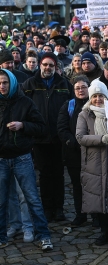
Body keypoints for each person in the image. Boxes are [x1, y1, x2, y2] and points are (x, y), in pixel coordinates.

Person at [0, 68, 53, 251]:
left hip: (21, 157)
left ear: (12, 83)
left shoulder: (25, 102)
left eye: (5, 82)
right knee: (2, 199)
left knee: (31, 198)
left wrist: (22, 125)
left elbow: (41, 127)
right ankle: (3, 235)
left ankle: (43, 235)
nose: (2, 86)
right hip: (1, 159)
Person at [22, 52, 73, 222]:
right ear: (39, 65)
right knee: (44, 175)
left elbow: (70, 108)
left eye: (51, 65)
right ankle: (46, 207)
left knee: (58, 173)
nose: (48, 68)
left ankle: (58, 208)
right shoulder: (30, 84)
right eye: (45, 64)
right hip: (39, 137)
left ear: (56, 67)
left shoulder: (64, 84)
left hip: (58, 137)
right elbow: (24, 109)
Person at [76, 80, 108, 247]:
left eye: (101, 96)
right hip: (93, 163)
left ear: (106, 96)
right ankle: (104, 232)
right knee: (97, 199)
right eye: (94, 96)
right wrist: (101, 139)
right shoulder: (84, 114)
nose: (98, 99)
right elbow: (80, 137)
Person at [57, 75, 90, 226]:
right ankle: (80, 214)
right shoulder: (68, 106)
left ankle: (96, 215)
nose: (81, 90)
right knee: (77, 186)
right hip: (73, 153)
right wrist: (74, 142)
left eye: (83, 87)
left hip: (93, 153)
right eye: (77, 88)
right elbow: (62, 128)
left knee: (93, 185)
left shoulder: (95, 103)